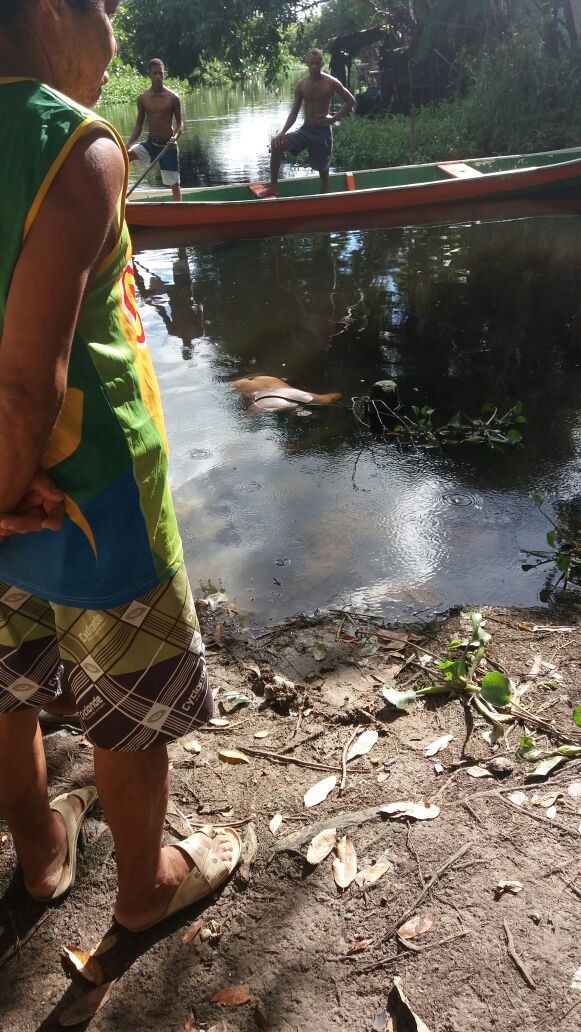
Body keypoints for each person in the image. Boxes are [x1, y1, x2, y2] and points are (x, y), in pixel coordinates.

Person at [0, 0, 240, 933]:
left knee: (7, 688)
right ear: (54, 9)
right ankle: (143, 891)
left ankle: (42, 857)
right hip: (88, 494)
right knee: (128, 714)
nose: (112, 35)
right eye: (105, 9)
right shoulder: (78, 145)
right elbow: (26, 392)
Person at [259, 48, 355, 198]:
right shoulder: (301, 85)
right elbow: (294, 112)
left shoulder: (331, 82)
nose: (314, 67)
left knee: (324, 173)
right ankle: (273, 188)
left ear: (322, 63)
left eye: (317, 63)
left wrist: (333, 119)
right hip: (306, 130)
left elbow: (351, 101)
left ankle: (324, 203)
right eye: (311, 63)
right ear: (307, 63)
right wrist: (282, 132)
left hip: (322, 132)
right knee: (276, 144)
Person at [127, 58, 184, 202]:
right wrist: (128, 143)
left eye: (161, 73)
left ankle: (179, 211)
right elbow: (139, 126)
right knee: (125, 156)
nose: (158, 76)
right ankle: (121, 195)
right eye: (155, 73)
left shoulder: (173, 98)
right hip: (151, 144)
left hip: (168, 146)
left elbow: (180, 124)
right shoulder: (143, 98)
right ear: (149, 75)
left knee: (174, 184)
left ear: (164, 74)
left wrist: (174, 138)